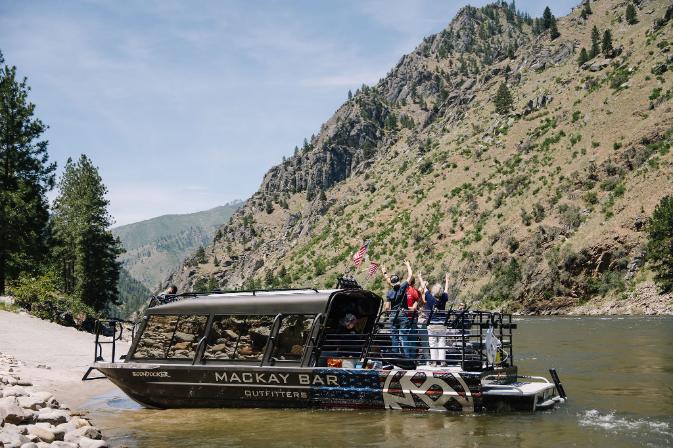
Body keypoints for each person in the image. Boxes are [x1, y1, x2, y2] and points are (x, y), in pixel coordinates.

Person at [381, 260, 414, 360]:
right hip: (402, 314)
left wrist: (384, 272)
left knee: (394, 337)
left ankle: (395, 357)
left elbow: (387, 307)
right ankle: (407, 357)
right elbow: (410, 276)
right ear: (399, 281)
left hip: (393, 315)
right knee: (404, 337)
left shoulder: (390, 293)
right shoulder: (402, 287)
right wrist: (408, 265)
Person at [418, 272, 450, 366]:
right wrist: (447, 280)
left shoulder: (430, 298)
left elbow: (424, 287)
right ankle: (443, 361)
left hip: (432, 324)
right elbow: (446, 290)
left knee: (432, 343)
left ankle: (434, 362)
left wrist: (420, 277)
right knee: (441, 342)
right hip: (442, 324)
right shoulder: (444, 297)